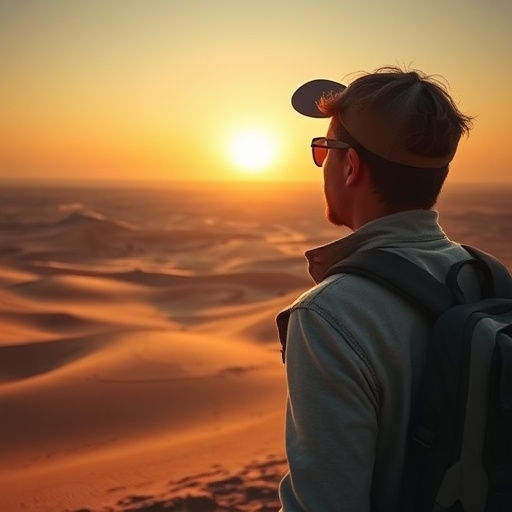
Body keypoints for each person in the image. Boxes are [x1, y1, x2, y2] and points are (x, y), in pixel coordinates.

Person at [276, 66, 474, 511]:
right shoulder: (487, 276)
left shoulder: (330, 315)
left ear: (350, 166)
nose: (322, 165)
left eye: (324, 149)